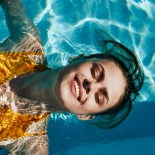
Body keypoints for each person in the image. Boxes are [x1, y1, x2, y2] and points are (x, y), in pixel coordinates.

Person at [0, 0, 144, 154]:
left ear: (85, 115)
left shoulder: (30, 142)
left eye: (99, 97)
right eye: (95, 72)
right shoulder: (27, 45)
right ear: (78, 58)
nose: (91, 86)